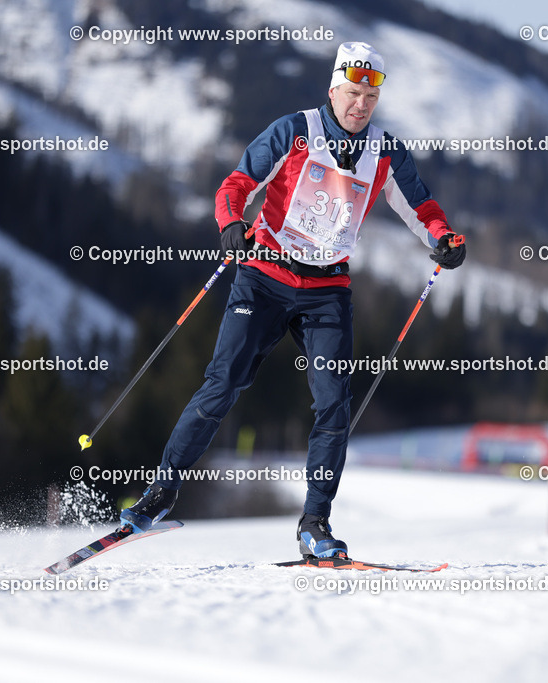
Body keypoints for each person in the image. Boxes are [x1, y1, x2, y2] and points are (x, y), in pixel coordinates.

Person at [120, 42, 466, 559]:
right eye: (352, 94)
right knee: (222, 386)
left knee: (333, 405)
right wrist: (231, 223)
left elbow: (422, 207)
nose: (360, 105)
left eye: (370, 97)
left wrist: (443, 238)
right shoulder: (294, 132)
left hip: (326, 290)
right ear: (333, 89)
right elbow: (236, 183)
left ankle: (314, 524)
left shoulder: (386, 153)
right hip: (263, 277)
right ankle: (160, 494)